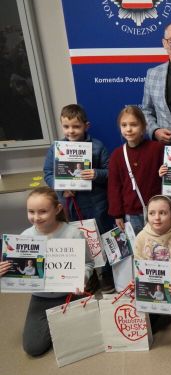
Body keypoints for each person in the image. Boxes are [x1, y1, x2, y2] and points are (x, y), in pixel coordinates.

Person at [0, 187, 94, 357]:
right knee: (33, 347)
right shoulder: (24, 236)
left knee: (83, 339)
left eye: (42, 211)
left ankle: (63, 321)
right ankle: (59, 321)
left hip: (70, 293)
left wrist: (83, 278)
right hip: (41, 297)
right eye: (31, 212)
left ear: (57, 209)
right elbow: (18, 270)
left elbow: (88, 263)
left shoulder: (73, 234)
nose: (36, 217)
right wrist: (5, 272)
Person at [43, 104, 114, 293]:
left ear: (86, 126)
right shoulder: (56, 149)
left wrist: (96, 174)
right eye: (66, 127)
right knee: (76, 240)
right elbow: (48, 173)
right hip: (70, 206)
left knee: (99, 238)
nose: (71, 131)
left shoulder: (97, 146)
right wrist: (61, 186)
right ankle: (88, 276)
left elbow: (110, 172)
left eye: (76, 126)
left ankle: (106, 274)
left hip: (96, 204)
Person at [108, 106, 164, 234]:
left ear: (143, 126)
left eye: (133, 124)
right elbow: (114, 187)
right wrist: (117, 214)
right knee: (137, 245)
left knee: (160, 245)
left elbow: (169, 177)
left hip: (157, 210)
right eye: (124, 125)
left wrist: (165, 172)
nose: (128, 129)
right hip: (131, 213)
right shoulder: (117, 155)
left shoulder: (157, 149)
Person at [133, 195, 171, 311]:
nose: (157, 218)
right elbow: (139, 266)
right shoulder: (141, 237)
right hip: (153, 285)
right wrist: (139, 282)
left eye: (162, 213)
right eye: (152, 213)